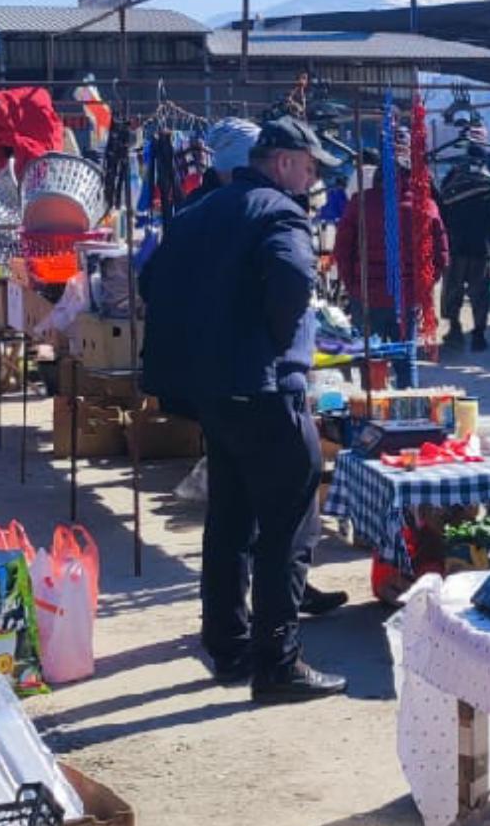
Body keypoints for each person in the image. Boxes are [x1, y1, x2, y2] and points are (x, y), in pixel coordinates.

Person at [138, 114, 348, 702]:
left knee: (229, 519)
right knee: (286, 525)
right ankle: (277, 664)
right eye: (309, 168)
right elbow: (288, 279)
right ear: (282, 162)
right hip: (262, 387)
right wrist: (276, 343)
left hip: (212, 392)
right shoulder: (280, 212)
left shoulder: (195, 214)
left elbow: (152, 282)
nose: (312, 180)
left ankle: (227, 644)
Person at [433, 113, 490, 354]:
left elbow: (440, 211)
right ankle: (478, 335)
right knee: (479, 294)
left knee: (452, 290)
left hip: (455, 246)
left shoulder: (452, 178)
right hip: (480, 248)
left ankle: (454, 330)